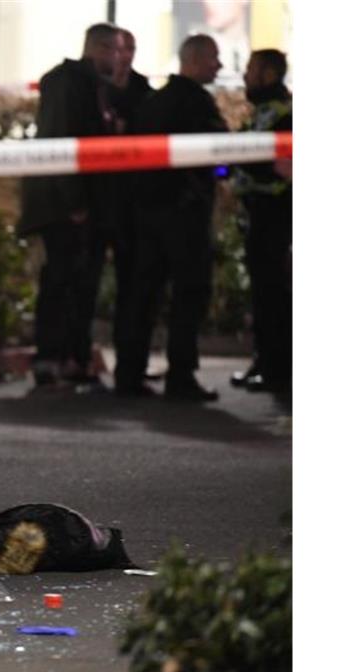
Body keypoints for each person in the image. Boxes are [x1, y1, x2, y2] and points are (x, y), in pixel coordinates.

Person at [113, 34, 228, 401]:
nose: (219, 66)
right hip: (185, 215)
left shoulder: (153, 102)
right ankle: (181, 376)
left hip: (147, 215)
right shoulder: (198, 103)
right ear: (192, 60)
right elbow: (218, 155)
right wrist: (220, 179)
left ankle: (129, 375)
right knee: (189, 294)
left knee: (142, 294)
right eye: (213, 58)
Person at [17, 23, 120, 389]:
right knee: (62, 281)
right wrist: (75, 201)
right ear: (99, 48)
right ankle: (50, 361)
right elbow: (61, 142)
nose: (120, 58)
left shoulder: (93, 85)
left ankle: (70, 359)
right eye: (116, 50)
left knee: (79, 283)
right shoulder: (69, 83)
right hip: (64, 204)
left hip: (79, 202)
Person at [231, 49, 292, 393]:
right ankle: (265, 361)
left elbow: (268, 163)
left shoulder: (285, 115)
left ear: (270, 74)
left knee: (273, 295)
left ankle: (275, 368)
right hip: (260, 212)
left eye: (252, 70)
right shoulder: (265, 113)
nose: (245, 77)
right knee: (264, 294)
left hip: (277, 214)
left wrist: (241, 156)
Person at [105, 29, 154, 382]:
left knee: (134, 286)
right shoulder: (92, 86)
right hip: (98, 201)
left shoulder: (142, 90)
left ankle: (130, 367)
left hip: (134, 204)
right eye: (119, 49)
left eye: (130, 49)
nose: (125, 55)